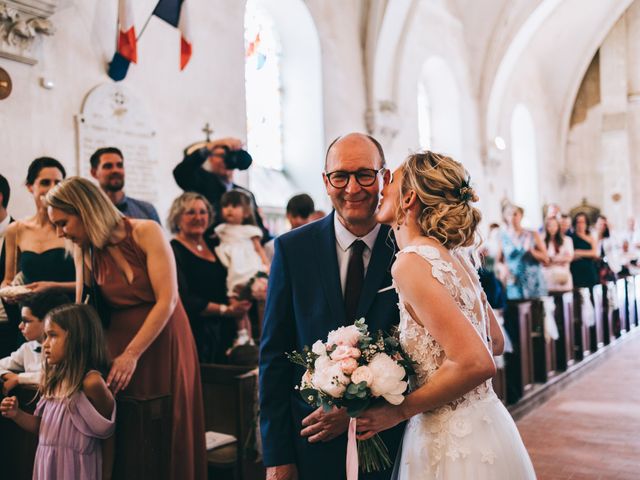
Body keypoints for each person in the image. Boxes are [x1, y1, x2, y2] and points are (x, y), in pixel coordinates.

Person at [356, 151, 535, 479]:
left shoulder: (411, 262)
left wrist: (401, 410)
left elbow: (479, 361)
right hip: (487, 423)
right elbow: (493, 340)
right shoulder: (456, 257)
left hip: (450, 435)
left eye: (391, 181)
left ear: (408, 198)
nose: (382, 189)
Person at [259, 133, 404, 480]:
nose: (352, 188)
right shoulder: (293, 250)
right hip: (311, 438)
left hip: (393, 439)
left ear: (383, 178)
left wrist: (360, 412)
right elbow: (275, 356)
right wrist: (277, 457)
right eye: (341, 176)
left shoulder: (406, 247)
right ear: (326, 182)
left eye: (365, 175)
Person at [46, 177, 206, 480]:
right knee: (128, 425)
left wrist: (132, 353)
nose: (59, 233)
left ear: (84, 210)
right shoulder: (85, 249)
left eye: (63, 223)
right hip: (116, 343)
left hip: (162, 336)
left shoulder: (146, 231)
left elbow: (168, 299)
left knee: (169, 422)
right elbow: (83, 310)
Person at [0, 303, 115, 479]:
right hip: (48, 465)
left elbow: (108, 435)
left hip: (77, 470)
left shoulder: (92, 383)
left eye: (52, 336)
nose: (45, 344)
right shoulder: (53, 380)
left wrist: (106, 476)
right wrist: (17, 414)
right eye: (45, 336)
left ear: (77, 338)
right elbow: (43, 427)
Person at [168, 192, 252, 362]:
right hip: (197, 333)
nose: (198, 217)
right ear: (177, 218)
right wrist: (224, 310)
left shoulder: (216, 244)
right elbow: (183, 297)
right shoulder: (173, 250)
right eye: (191, 212)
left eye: (203, 212)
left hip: (226, 329)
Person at [2, 158, 75, 319]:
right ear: (30, 187)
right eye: (45, 182)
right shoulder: (16, 230)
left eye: (58, 183)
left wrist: (52, 287)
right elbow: (8, 280)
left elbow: (89, 285)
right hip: (32, 320)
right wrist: (8, 293)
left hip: (69, 317)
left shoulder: (72, 227)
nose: (52, 188)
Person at [173, 137, 270, 242]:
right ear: (210, 158)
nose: (226, 160)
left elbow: (260, 229)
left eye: (230, 156)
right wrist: (210, 147)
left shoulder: (246, 194)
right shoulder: (201, 184)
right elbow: (181, 173)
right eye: (221, 156)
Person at [215, 190, 269, 347]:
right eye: (225, 206)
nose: (229, 209)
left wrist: (267, 267)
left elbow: (259, 250)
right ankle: (244, 337)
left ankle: (264, 332)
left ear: (245, 212)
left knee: (261, 302)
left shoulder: (249, 231)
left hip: (250, 268)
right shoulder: (221, 229)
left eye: (234, 206)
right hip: (234, 270)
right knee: (237, 303)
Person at [0, 291, 70, 394]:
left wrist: (19, 378)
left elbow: (57, 377)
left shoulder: (65, 348)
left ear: (48, 321)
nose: (20, 326)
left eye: (26, 321)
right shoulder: (27, 348)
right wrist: (9, 376)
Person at [90, 147, 161, 223]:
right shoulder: (87, 212)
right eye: (108, 166)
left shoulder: (146, 210)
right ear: (94, 173)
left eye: (119, 165)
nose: (115, 170)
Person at [500, 204, 548, 299]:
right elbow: (499, 260)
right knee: (517, 311)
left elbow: (546, 258)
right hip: (514, 282)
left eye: (515, 214)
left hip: (533, 281)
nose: (512, 217)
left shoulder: (532, 234)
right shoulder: (503, 237)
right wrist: (503, 269)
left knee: (536, 311)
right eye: (509, 214)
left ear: (521, 216)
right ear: (506, 217)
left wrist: (532, 251)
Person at [265, 193, 316, 262]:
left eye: (304, 215)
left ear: (313, 215)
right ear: (287, 215)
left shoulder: (320, 244)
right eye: (295, 215)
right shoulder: (273, 246)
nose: (299, 220)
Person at [542, 217, 574, 292]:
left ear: (558, 226)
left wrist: (551, 260)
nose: (552, 228)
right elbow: (543, 261)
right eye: (549, 225)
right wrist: (560, 259)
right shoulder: (542, 241)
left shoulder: (567, 240)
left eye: (554, 225)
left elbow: (568, 258)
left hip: (563, 278)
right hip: (548, 279)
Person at [569, 213, 599, 288]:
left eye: (583, 222)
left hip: (590, 270)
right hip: (576, 271)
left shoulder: (591, 237)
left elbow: (595, 253)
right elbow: (570, 254)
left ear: (586, 223)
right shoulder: (570, 237)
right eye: (578, 222)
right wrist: (587, 254)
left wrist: (578, 252)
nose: (580, 224)